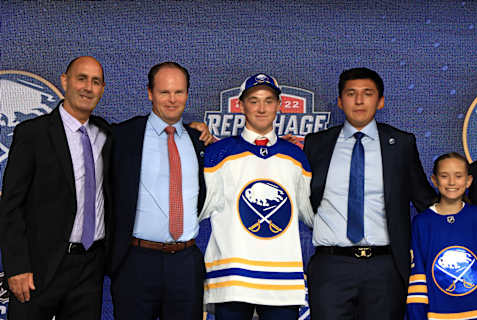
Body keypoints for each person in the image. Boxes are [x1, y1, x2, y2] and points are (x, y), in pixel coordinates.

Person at [303, 67, 437, 320]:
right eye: (351, 94)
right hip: (331, 267)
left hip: (385, 267)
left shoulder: (401, 144)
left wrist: (464, 223)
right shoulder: (316, 143)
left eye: (368, 93)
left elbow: (425, 201)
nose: (359, 100)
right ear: (341, 102)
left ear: (381, 101)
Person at [0, 56, 110, 319]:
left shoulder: (106, 134)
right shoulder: (32, 134)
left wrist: (191, 130)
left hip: (89, 269)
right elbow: (11, 205)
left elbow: (150, 131)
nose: (88, 87)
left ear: (102, 90)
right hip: (39, 268)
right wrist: (16, 267)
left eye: (96, 82)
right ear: (65, 81)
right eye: (81, 78)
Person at [200, 73, 314, 320]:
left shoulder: (296, 158)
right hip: (232, 280)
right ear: (241, 105)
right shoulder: (218, 155)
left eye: (268, 100)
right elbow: (196, 211)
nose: (261, 108)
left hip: (282, 283)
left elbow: (312, 214)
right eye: (253, 100)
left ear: (279, 105)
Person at [109, 62, 211, 320]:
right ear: (149, 93)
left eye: (179, 92)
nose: (172, 99)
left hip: (185, 264)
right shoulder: (123, 135)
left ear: (187, 94)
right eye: (164, 92)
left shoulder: (198, 139)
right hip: (136, 262)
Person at [407, 152, 477, 319]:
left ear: (468, 181)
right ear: (434, 180)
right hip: (438, 314)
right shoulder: (422, 223)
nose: (452, 182)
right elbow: (417, 276)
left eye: (458, 176)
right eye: (445, 176)